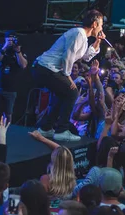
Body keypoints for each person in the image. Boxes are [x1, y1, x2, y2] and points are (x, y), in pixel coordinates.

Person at [32, 10, 105, 142]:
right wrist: (68, 76)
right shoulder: (78, 33)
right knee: (72, 92)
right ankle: (62, 130)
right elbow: (68, 57)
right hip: (45, 67)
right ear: (95, 24)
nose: (101, 28)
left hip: (49, 69)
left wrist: (98, 41)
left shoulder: (83, 37)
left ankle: (46, 128)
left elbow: (85, 57)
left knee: (63, 94)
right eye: (101, 25)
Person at [0, 31, 28, 121]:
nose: (11, 41)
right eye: (9, 38)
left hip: (11, 87)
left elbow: (24, 65)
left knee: (8, 114)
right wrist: (5, 46)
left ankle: (6, 131)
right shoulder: (1, 46)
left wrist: (18, 52)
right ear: (5, 38)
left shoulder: (19, 49)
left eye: (13, 38)